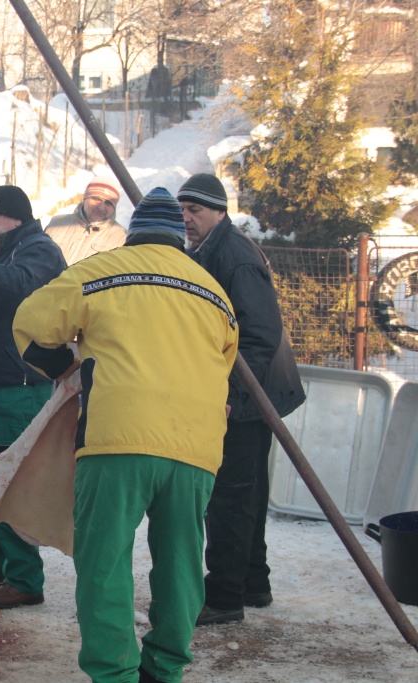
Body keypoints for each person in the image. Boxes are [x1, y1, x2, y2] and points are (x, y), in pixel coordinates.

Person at [12, 187, 238, 683]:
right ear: (179, 240)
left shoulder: (99, 271)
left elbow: (29, 324)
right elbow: (224, 365)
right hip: (195, 446)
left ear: (133, 235)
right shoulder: (214, 293)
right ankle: (166, 668)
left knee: (105, 562)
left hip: (117, 438)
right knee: (180, 564)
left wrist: (69, 368)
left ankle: (115, 674)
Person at [177, 173, 306, 626]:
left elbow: (260, 333)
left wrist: (228, 392)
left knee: (230, 497)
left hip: (249, 396)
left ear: (219, 211)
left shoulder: (235, 257)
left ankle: (224, 597)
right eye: (182, 210)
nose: (186, 218)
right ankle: (253, 582)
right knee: (246, 492)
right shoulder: (209, 249)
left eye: (195, 210)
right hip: (251, 392)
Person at [0, 185, 66, 609]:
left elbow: (22, 286)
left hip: (21, 384)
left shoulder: (39, 250)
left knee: (12, 478)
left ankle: (24, 577)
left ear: (14, 218)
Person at [45, 175, 127, 264]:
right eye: (97, 199)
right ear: (84, 199)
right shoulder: (57, 223)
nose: (101, 208)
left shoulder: (122, 238)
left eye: (108, 203)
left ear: (114, 208)